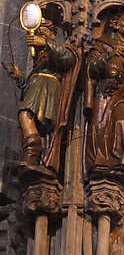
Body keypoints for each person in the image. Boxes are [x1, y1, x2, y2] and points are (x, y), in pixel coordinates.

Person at [2, 11, 77, 175]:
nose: (37, 36)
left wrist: (45, 42)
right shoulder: (41, 57)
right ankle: (31, 154)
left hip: (47, 86)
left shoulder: (59, 48)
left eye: (41, 31)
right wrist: (20, 78)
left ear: (51, 32)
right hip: (36, 85)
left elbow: (68, 59)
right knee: (26, 116)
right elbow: (30, 81)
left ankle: (33, 148)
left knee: (25, 114)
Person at [84, 7, 124, 177]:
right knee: (101, 126)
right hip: (105, 92)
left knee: (121, 127)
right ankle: (100, 161)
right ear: (114, 24)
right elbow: (91, 68)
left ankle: (119, 160)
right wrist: (109, 56)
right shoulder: (101, 46)